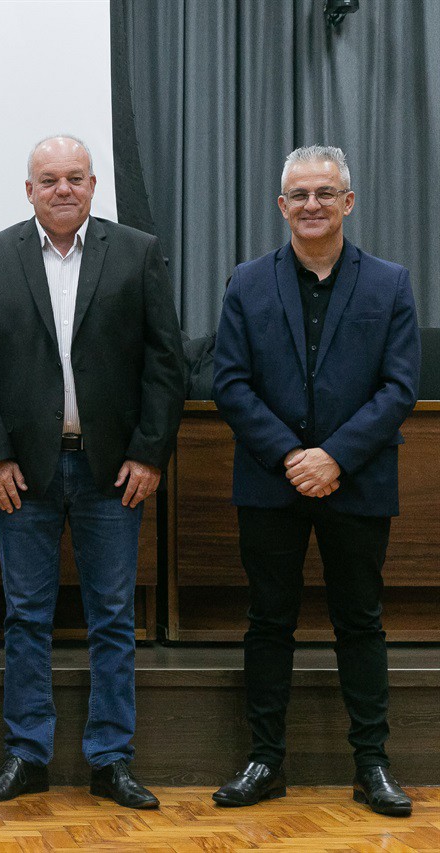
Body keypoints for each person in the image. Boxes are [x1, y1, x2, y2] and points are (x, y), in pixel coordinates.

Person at [0, 135, 184, 809]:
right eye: (48, 179)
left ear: (92, 185)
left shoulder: (136, 251)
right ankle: (27, 754)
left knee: (112, 615)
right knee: (25, 614)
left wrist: (148, 451)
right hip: (21, 472)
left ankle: (111, 759)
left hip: (114, 470)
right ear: (28, 190)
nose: (62, 189)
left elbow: (164, 363)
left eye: (75, 178)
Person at [212, 145, 418, 817]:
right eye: (298, 194)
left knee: (360, 621)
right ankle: (265, 758)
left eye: (324, 193)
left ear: (348, 202)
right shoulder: (246, 281)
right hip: (271, 484)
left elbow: (399, 386)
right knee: (269, 621)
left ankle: (372, 764)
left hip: (356, 482)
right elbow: (230, 384)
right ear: (281, 206)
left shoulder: (390, 284)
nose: (311, 205)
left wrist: (333, 456)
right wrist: (291, 456)